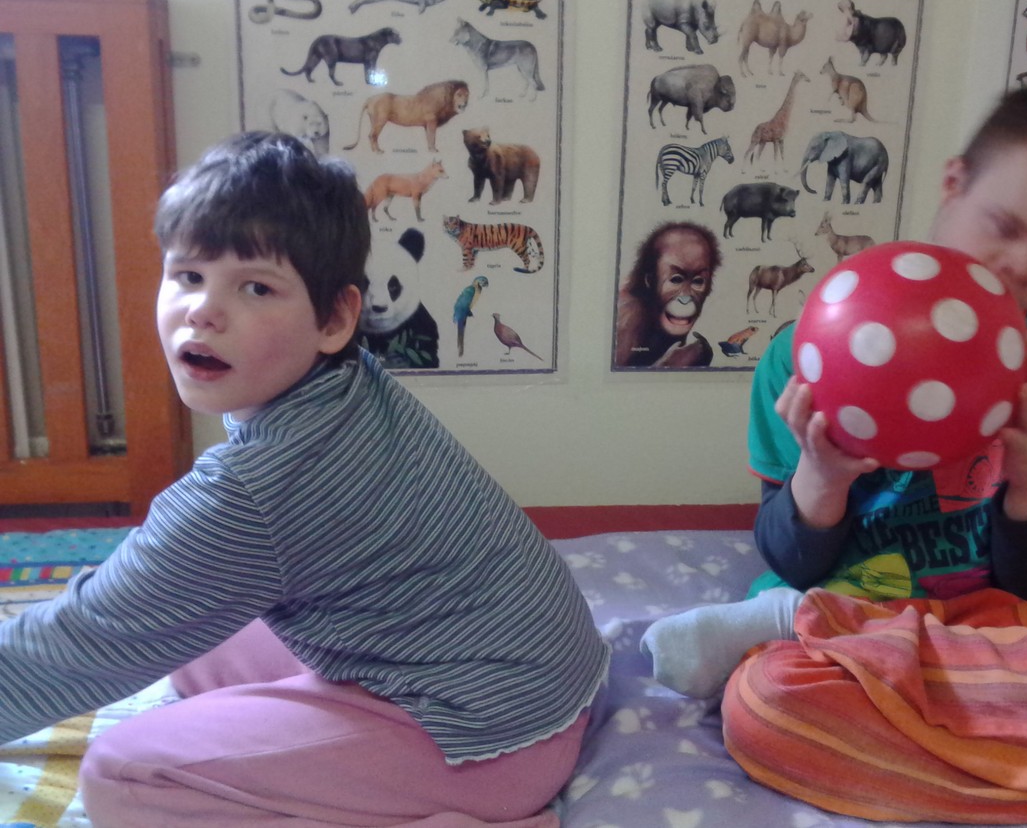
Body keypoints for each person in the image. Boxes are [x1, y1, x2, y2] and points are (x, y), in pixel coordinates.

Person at [0, 133, 608, 828]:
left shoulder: (254, 489)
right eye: (188, 275)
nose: (203, 310)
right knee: (194, 644)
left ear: (335, 319)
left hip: (489, 742)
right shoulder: (344, 384)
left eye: (256, 287)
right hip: (543, 676)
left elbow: (85, 642)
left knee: (126, 776)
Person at [643, 82, 1027, 824]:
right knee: (763, 709)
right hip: (836, 627)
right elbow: (790, 557)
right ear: (954, 185)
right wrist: (822, 477)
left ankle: (958, 767)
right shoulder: (813, 347)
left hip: (989, 645)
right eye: (1003, 225)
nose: (1020, 266)